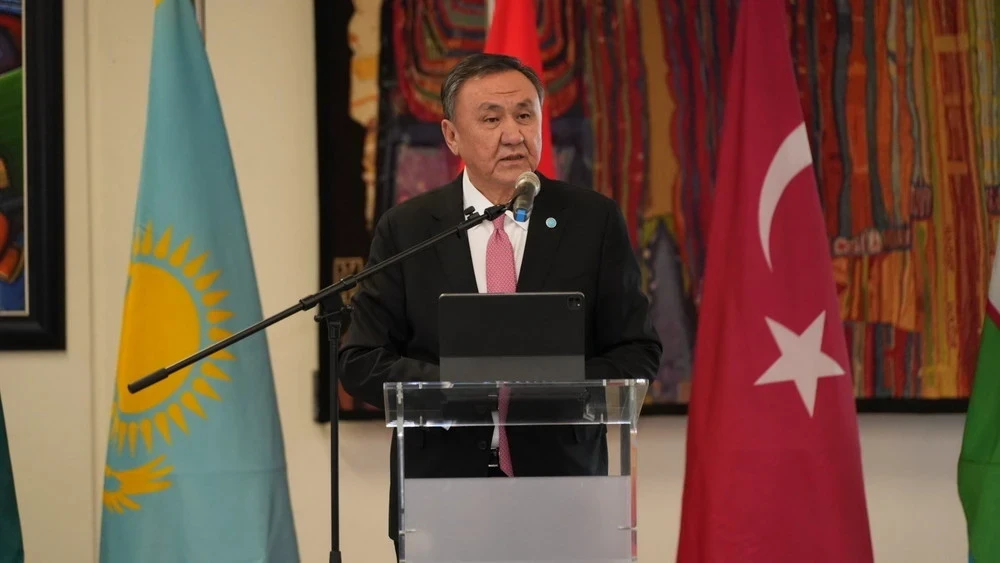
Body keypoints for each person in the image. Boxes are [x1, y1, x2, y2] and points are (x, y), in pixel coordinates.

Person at [338, 53, 662, 559]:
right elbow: (360, 361)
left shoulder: (591, 221)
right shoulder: (409, 229)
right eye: (491, 119)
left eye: (525, 115)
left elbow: (637, 352)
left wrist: (550, 386)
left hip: (566, 491)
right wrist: (461, 389)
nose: (513, 134)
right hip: (440, 496)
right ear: (452, 136)